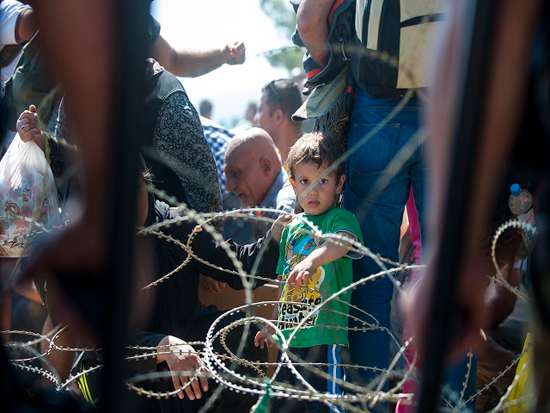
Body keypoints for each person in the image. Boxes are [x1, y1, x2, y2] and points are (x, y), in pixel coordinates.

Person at [296, 0, 427, 404]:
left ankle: (365, 401)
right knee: (446, 270)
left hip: (378, 102)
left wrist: (332, 66)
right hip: (449, 100)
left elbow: (310, 19)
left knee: (370, 274)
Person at [254, 132, 363, 412]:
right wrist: (273, 322)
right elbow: (284, 281)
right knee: (283, 405)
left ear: (339, 183)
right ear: (293, 184)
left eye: (322, 180)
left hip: (324, 339)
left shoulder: (338, 218)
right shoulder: (292, 226)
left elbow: (344, 240)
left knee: (323, 407)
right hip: (291, 338)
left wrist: (313, 260)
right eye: (304, 181)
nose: (312, 191)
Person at [223, 127, 295, 244]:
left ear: (265, 167)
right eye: (227, 175)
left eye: (236, 174)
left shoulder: (284, 209)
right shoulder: (263, 205)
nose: (229, 187)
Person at [254, 79, 303, 166]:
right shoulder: (269, 166)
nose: (255, 119)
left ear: (277, 117)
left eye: (260, 110)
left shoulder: (317, 160)